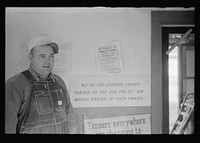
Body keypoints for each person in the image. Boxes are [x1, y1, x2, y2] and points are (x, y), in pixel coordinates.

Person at [5, 34, 78, 134]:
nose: (48, 61)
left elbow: (71, 120)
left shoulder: (59, 82)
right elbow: (8, 126)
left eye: (51, 56)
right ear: (31, 57)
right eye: (42, 56)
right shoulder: (15, 84)